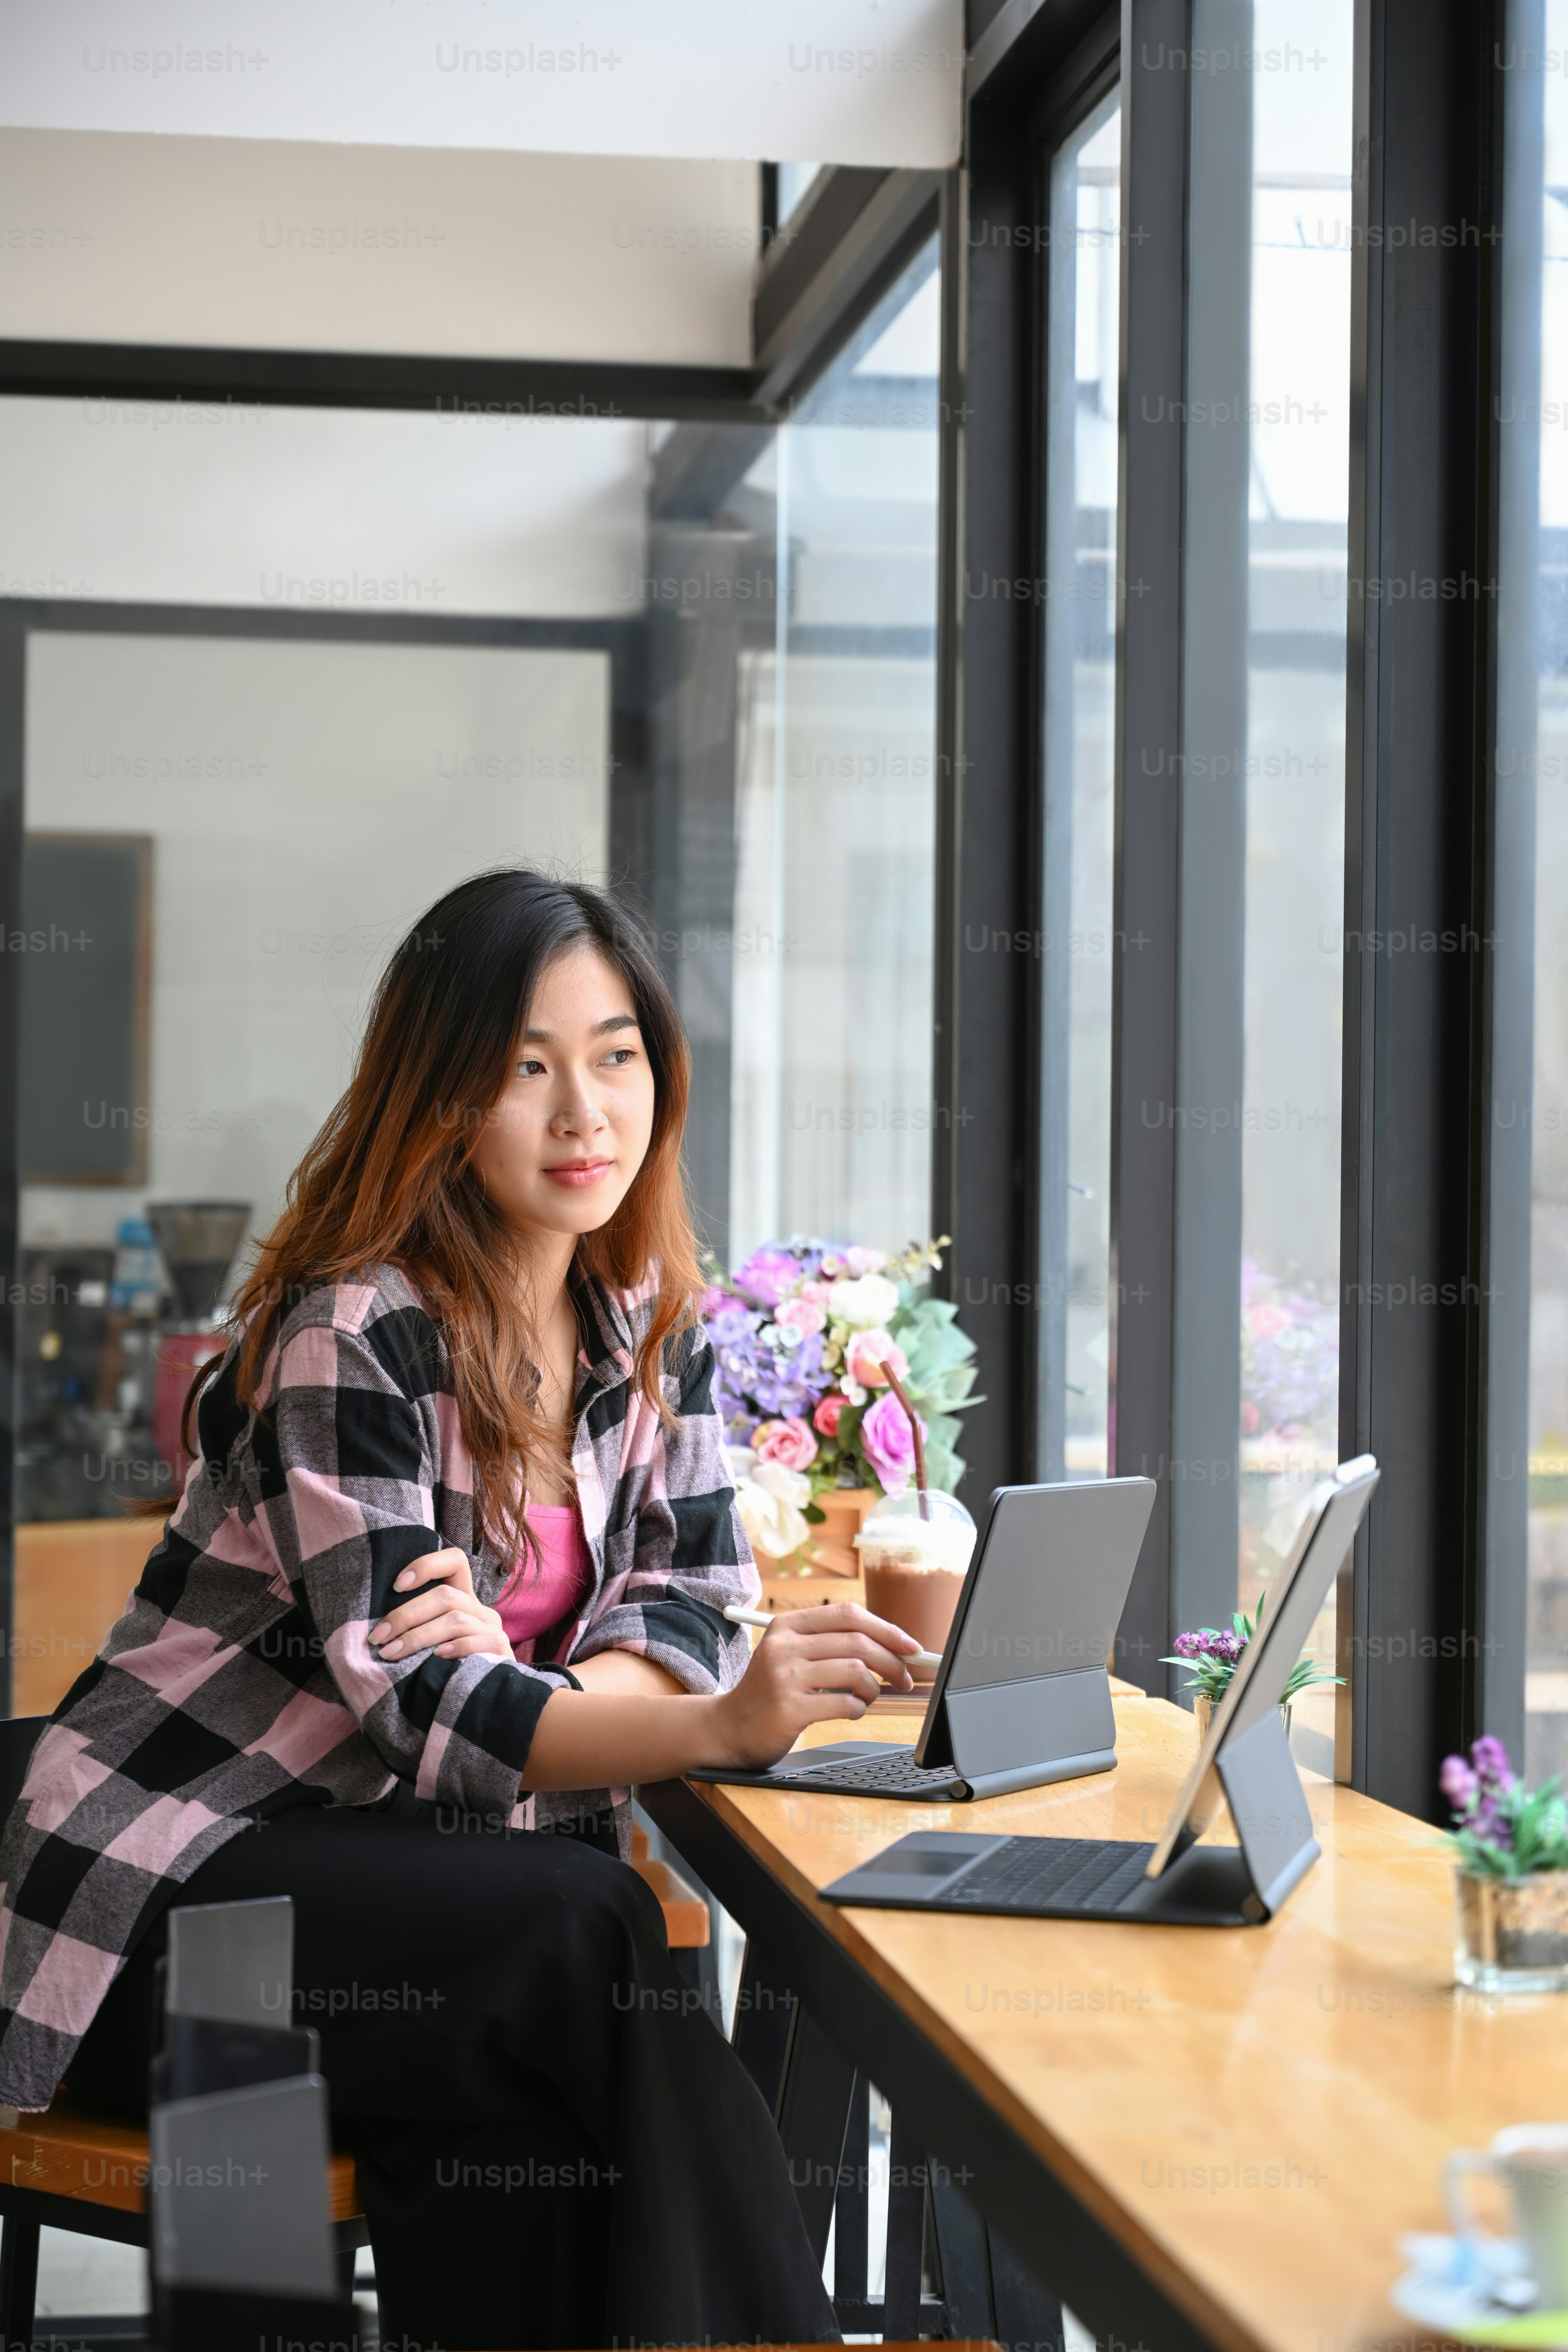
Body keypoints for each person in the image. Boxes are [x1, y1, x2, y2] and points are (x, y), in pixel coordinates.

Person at [0, 868, 924, 2352]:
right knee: (594, 1934)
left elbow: (681, 1601)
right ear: (441, 1093)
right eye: (526, 1068)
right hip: (178, 1900)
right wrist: (707, 1724)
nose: (585, 1114)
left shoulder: (644, 1330)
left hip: (423, 1904)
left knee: (534, 2141)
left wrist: (547, 1697)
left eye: (616, 1055)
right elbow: (432, 1718)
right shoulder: (349, 1332)